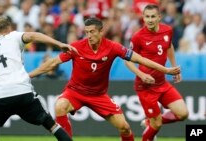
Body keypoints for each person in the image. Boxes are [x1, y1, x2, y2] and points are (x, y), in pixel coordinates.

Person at [29, 17, 181, 141]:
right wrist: (27, 76)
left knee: (125, 128)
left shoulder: (113, 47)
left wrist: (166, 69)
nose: (89, 36)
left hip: (99, 95)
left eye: (92, 32)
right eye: (86, 32)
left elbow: (140, 59)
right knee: (59, 106)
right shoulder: (76, 47)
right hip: (75, 92)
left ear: (101, 32)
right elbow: (52, 63)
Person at [0, 15, 76, 141]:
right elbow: (33, 35)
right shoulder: (14, 36)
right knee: (51, 125)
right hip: (22, 91)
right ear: (9, 28)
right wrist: (59, 44)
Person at [125, 5, 189, 141]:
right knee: (157, 124)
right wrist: (141, 75)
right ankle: (151, 126)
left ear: (159, 17)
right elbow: (127, 61)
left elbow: (169, 47)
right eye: (147, 16)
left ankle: (149, 122)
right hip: (145, 86)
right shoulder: (138, 37)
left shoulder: (167, 31)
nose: (150, 20)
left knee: (183, 113)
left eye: (153, 16)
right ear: (143, 17)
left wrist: (174, 68)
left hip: (161, 83)